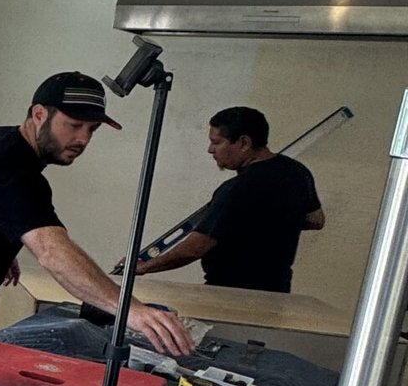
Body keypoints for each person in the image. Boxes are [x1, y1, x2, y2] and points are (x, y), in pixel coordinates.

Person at [0, 72, 197, 378]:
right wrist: (129, 308)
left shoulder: (1, 138)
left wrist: (2, 248)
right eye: (74, 125)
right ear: (39, 114)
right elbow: (52, 251)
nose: (84, 139)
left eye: (92, 129)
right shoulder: (12, 171)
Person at [134, 106, 323, 294]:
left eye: (216, 142)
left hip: (231, 295)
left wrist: (144, 266)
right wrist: (271, 223)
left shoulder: (237, 189)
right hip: (277, 294)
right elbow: (316, 220)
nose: (210, 150)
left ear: (244, 143)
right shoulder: (298, 172)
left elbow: (193, 249)